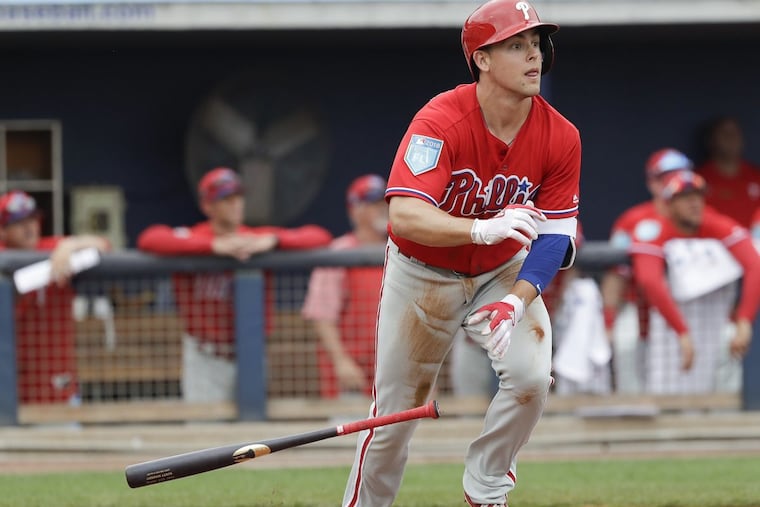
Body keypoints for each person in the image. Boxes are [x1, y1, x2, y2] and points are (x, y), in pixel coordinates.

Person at [342, 2, 580, 506]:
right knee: (393, 418)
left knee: (533, 378)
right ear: (483, 59)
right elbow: (403, 215)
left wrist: (516, 301)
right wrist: (479, 229)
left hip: (502, 272)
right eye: (517, 45)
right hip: (421, 272)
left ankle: (488, 486)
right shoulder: (441, 118)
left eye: (537, 44)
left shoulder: (561, 135)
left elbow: (556, 237)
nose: (533, 56)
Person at [137, 167, 332, 402]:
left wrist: (273, 240)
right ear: (208, 206)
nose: (236, 204)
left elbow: (319, 236)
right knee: (206, 431)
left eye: (238, 197)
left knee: (251, 430)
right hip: (205, 355)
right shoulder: (194, 236)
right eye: (226, 199)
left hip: (251, 354)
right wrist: (211, 247)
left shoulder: (254, 236)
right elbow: (149, 238)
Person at [629, 171, 759, 394]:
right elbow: (649, 281)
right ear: (668, 204)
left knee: (713, 385)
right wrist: (682, 332)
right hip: (648, 323)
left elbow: (754, 264)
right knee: (654, 389)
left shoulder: (714, 221)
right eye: (685, 197)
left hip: (706, 323)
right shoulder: (652, 227)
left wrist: (744, 321)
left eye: (698, 196)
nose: (694, 203)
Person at [0, 190, 110, 405]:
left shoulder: (55, 249)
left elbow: (103, 244)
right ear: (3, 230)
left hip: (55, 374)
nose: (29, 227)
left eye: (32, 219)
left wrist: (71, 244)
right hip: (12, 380)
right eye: (18, 222)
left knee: (65, 432)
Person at [599, 148, 693, 393]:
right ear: (653, 183)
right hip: (637, 308)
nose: (675, 183)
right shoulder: (632, 220)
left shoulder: (699, 219)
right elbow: (616, 275)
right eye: (667, 177)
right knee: (626, 348)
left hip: (688, 309)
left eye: (681, 176)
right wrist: (609, 322)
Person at [301, 174, 388, 400]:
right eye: (373, 204)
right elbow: (322, 317)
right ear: (354, 210)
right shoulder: (339, 252)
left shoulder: (401, 251)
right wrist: (341, 361)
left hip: (392, 371)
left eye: (384, 203)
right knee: (349, 432)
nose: (382, 209)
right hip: (352, 372)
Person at [695, 116, 760, 227]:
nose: (731, 138)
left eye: (735, 133)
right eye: (725, 133)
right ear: (711, 140)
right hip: (713, 241)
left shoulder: (756, 176)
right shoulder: (697, 179)